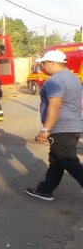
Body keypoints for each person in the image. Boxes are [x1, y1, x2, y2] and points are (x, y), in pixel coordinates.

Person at [25, 50, 83, 201]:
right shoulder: (74, 78)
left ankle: (45, 190)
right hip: (73, 126)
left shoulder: (55, 81)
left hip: (62, 129)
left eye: (44, 63)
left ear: (53, 63)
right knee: (57, 160)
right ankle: (45, 190)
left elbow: (55, 105)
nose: (43, 66)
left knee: (69, 162)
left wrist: (46, 129)